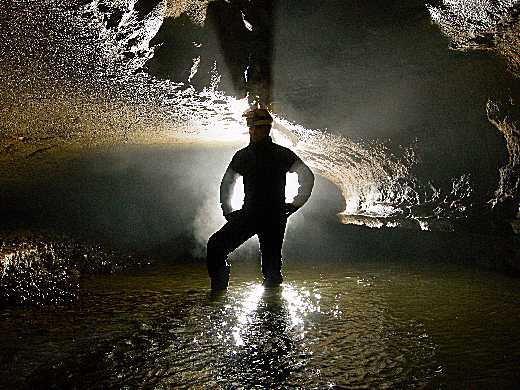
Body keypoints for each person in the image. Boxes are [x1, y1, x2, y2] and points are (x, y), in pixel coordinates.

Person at [207, 108, 314, 290]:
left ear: (266, 129)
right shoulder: (277, 154)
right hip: (266, 215)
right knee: (217, 246)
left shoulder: (251, 155)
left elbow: (308, 177)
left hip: (265, 216)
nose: (254, 131)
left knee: (270, 270)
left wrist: (296, 204)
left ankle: (269, 309)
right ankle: (220, 293)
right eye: (252, 127)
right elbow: (227, 183)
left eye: (257, 127)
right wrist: (227, 210)